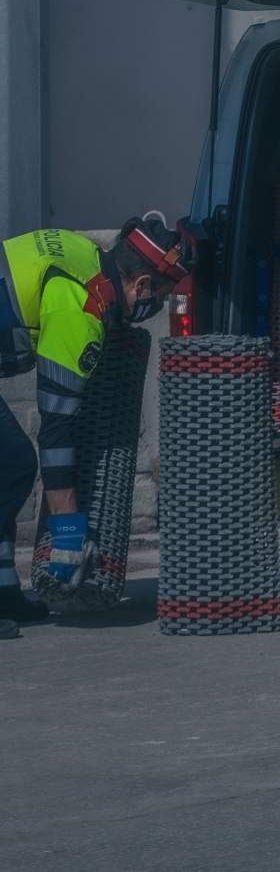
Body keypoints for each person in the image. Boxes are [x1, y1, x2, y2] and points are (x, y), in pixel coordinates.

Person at [0, 215, 191, 639]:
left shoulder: (85, 254)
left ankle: (4, 592)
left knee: (9, 464)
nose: (156, 305)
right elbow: (56, 431)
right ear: (140, 286)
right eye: (158, 294)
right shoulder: (80, 309)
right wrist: (67, 532)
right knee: (12, 461)